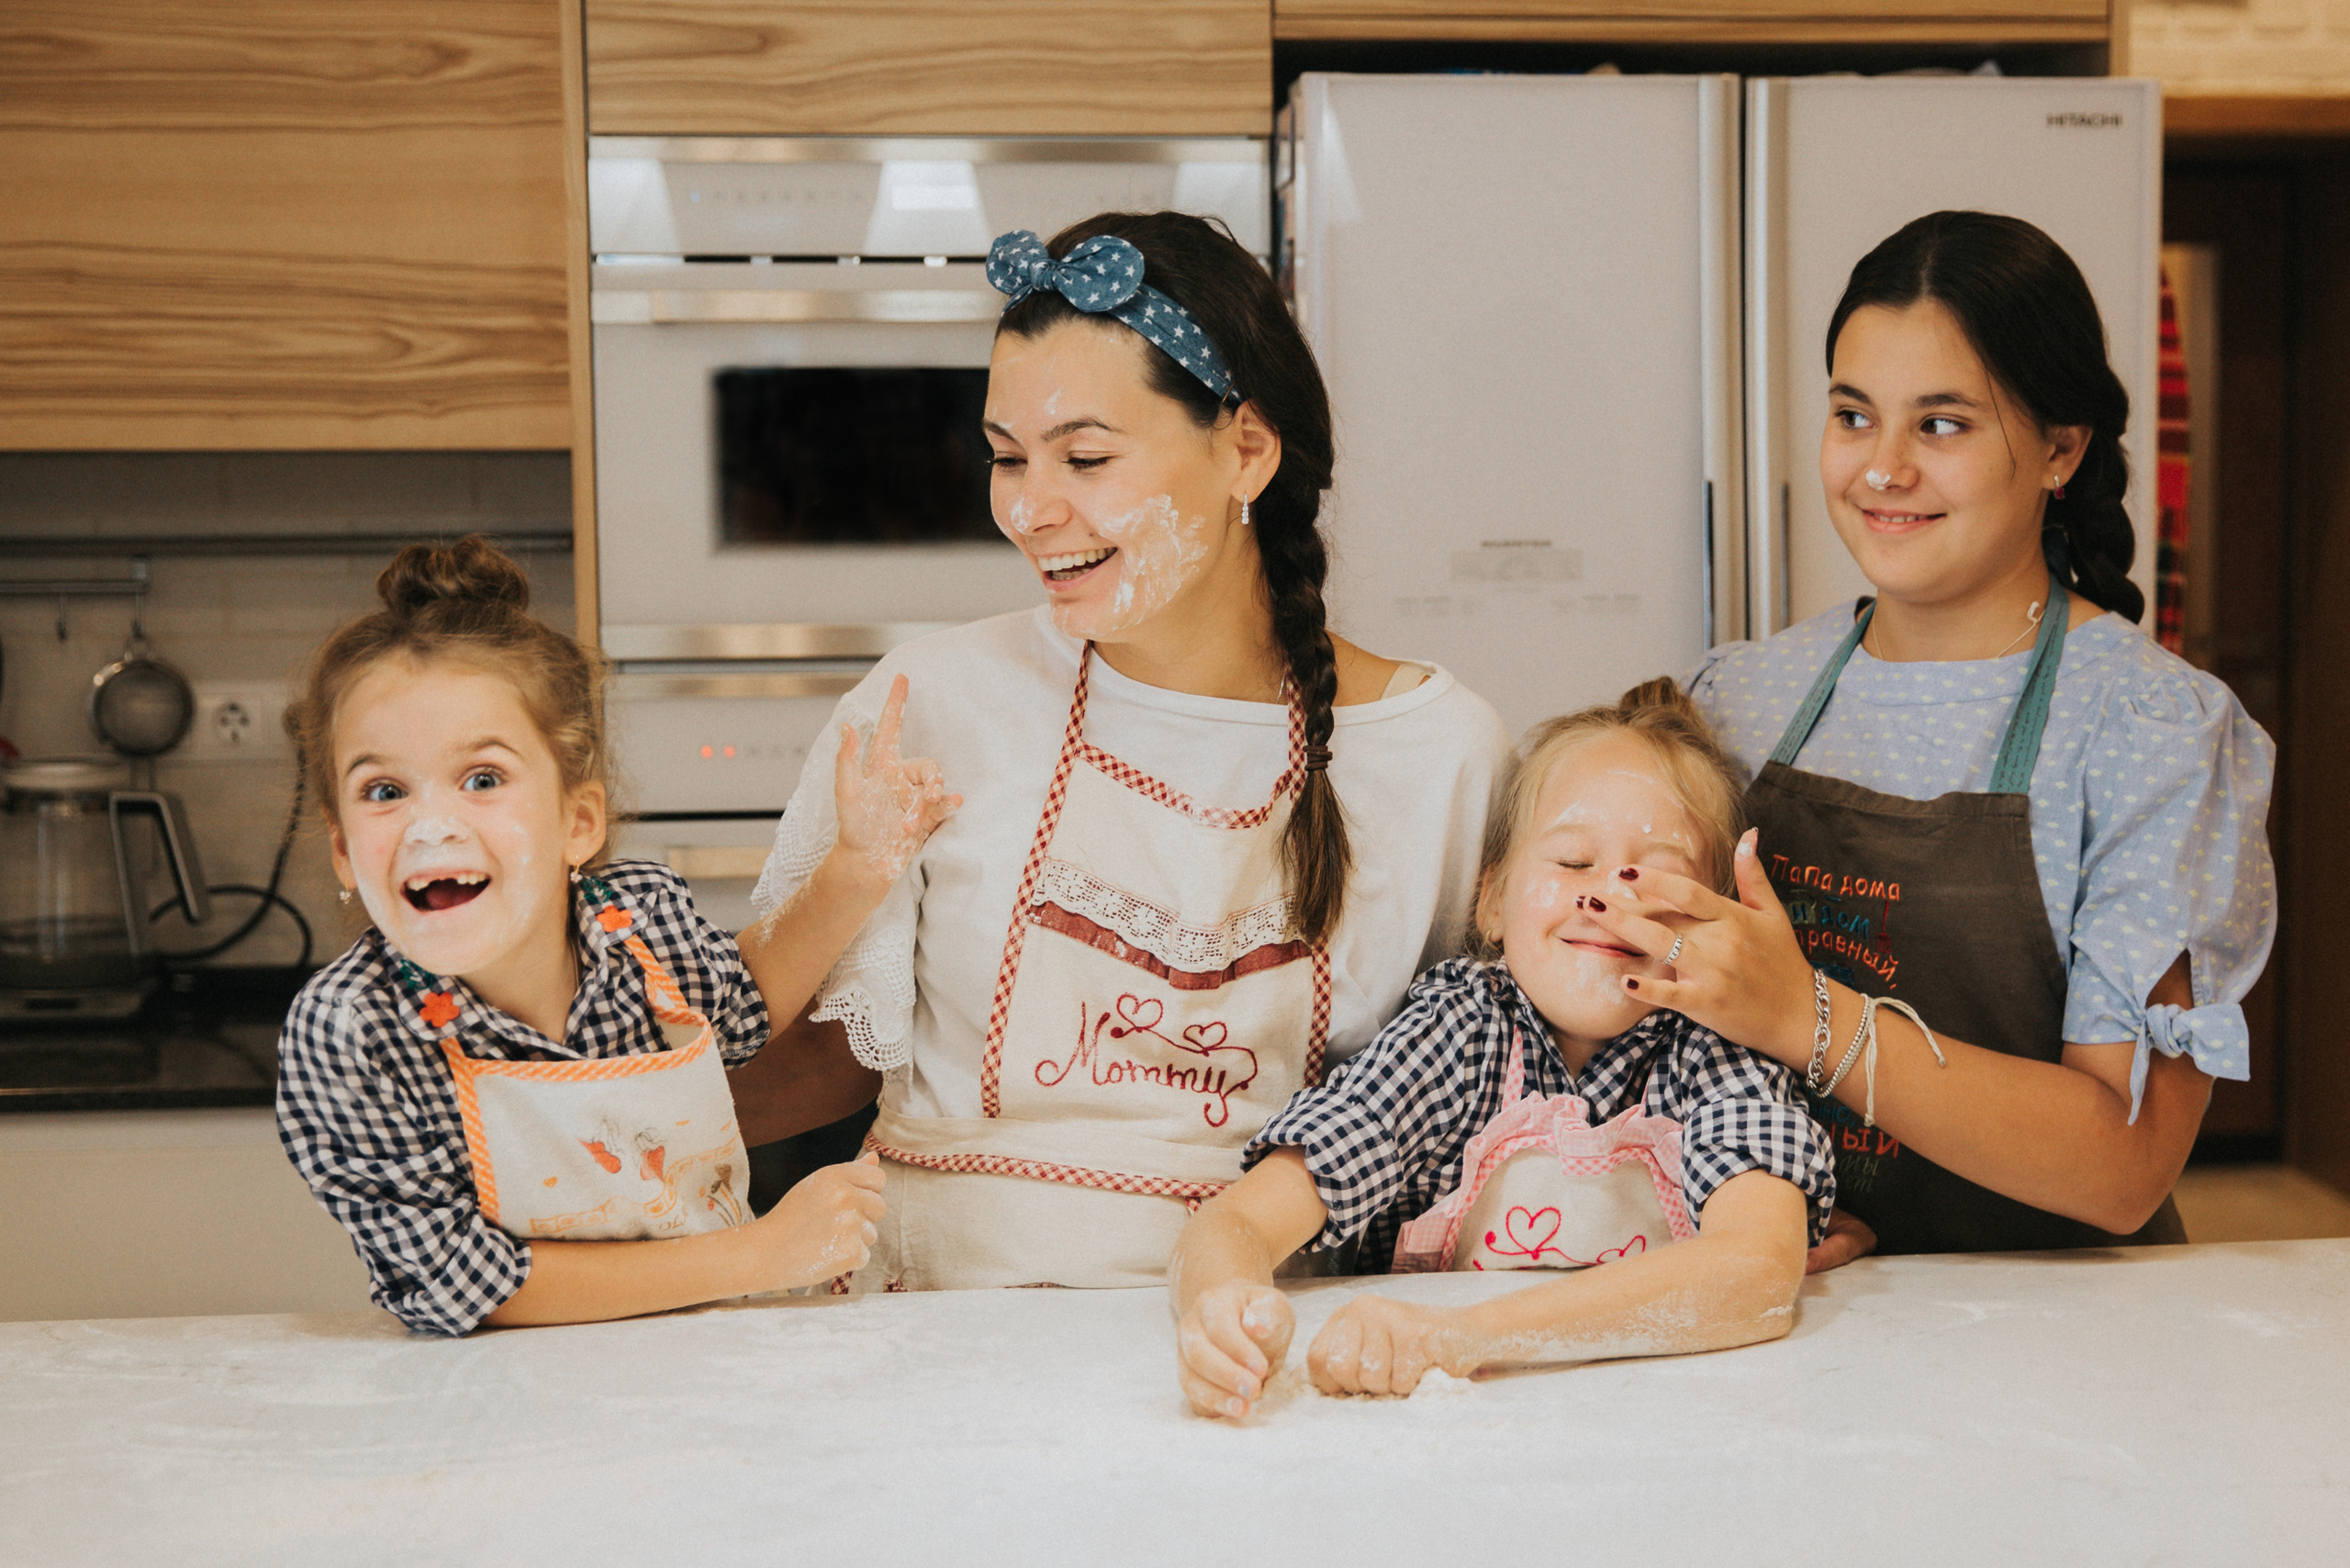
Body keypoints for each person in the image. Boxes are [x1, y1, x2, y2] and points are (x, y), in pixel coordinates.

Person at [733, 213, 1512, 1292]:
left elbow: (1509, 1097)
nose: (1030, 509)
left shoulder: (1440, 756)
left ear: (1245, 449)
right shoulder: (933, 703)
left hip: (1263, 1353)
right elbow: (810, 1063)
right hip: (939, 1350)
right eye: (1007, 457)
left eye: (1086, 456)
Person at [1580, 211, 2275, 1261]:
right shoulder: (1743, 699)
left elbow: (2121, 1165)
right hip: (1781, 1304)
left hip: (2057, 1337)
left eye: (1942, 424)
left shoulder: (2146, 730)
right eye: (1853, 415)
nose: (1882, 469)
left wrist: (1808, 1017)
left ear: (2060, 448)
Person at [276, 537, 953, 1335]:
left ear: (579, 822)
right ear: (344, 851)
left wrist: (857, 867)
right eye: (384, 790)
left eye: (482, 779)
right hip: (512, 1398)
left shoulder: (635, 925)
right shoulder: (351, 1030)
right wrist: (766, 1254)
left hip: (711, 1351)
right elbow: (465, 1284)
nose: (432, 826)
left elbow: (742, 1008)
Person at [1169, 680, 1836, 1415]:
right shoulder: (1458, 1032)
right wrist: (1225, 1311)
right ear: (1491, 902)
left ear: (1720, 928)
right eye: (1573, 863)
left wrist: (1460, 1336)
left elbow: (1755, 1275)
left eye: (1657, 875)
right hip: (1445, 1433)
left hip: (1662, 1425)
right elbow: (1236, 1222)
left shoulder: (1719, 1049)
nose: (1608, 895)